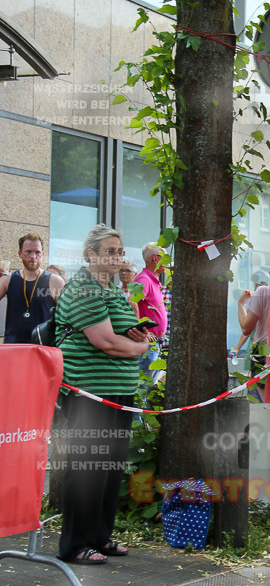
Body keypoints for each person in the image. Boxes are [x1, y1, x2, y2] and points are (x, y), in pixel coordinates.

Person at [55, 224, 150, 564]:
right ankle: (75, 544)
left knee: (110, 467)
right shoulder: (83, 288)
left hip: (118, 391)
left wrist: (139, 336)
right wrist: (138, 350)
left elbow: (123, 333)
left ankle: (99, 536)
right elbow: (105, 340)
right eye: (110, 251)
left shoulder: (111, 289)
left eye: (120, 251)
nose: (117, 257)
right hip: (90, 393)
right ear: (90, 255)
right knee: (86, 467)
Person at [0, 233, 64, 343]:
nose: (33, 256)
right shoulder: (9, 279)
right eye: (28, 252)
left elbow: (68, 316)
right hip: (14, 348)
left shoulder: (55, 281)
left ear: (42, 254)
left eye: (37, 252)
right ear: (20, 253)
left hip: (42, 349)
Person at [134, 243, 169, 393]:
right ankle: (136, 417)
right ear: (155, 259)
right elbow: (130, 301)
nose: (167, 262)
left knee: (147, 389)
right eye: (165, 258)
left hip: (154, 343)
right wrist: (142, 332)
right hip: (147, 344)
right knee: (142, 388)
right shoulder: (143, 279)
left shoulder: (152, 279)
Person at [233, 270, 270, 398]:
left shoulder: (263, 293)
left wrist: (240, 303)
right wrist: (237, 348)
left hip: (263, 350)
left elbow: (246, 329)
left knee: (266, 401)